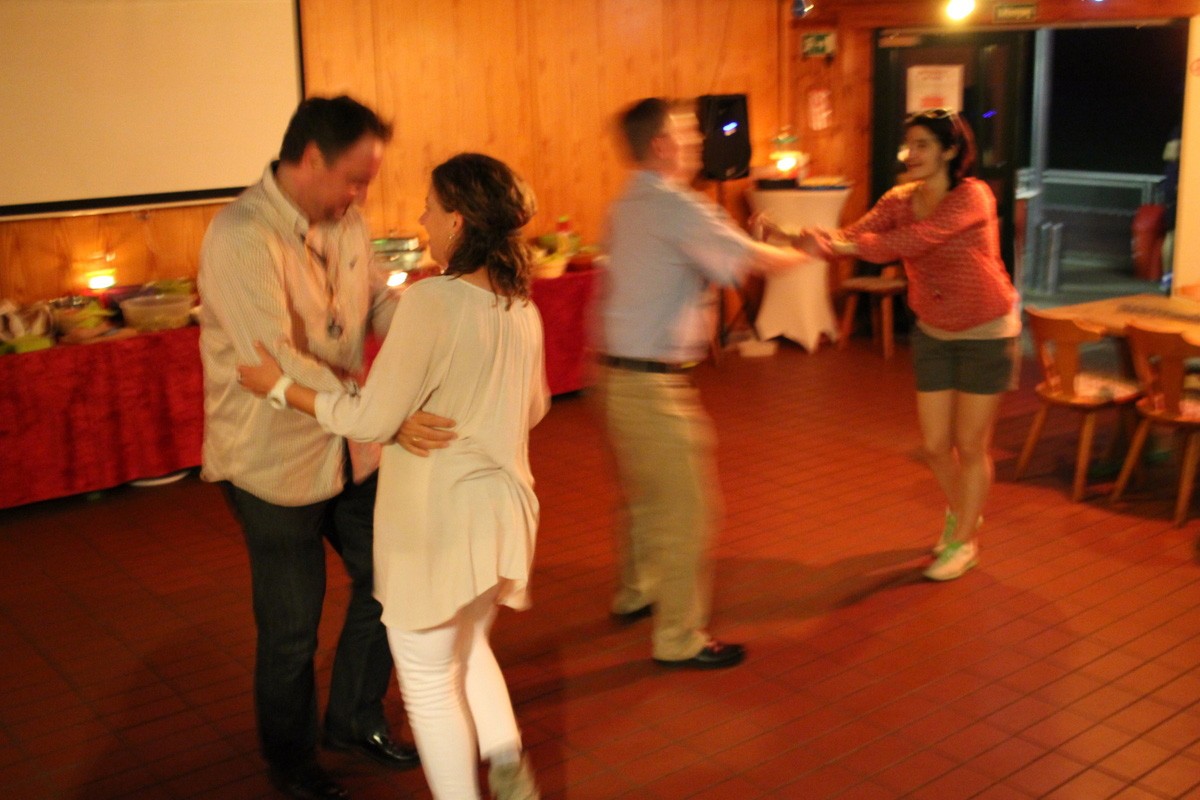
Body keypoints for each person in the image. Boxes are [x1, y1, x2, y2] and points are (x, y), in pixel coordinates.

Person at [238, 152, 548, 800]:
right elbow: (537, 406)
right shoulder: (519, 304)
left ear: (457, 221)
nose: (421, 219)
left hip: (437, 524)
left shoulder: (432, 300)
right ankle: (506, 757)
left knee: (429, 684)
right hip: (502, 515)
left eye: (429, 209)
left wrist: (279, 387)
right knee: (467, 646)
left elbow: (369, 419)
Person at [199, 95, 439, 800]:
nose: (361, 196)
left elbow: (374, 302)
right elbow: (273, 358)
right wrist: (378, 411)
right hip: (271, 458)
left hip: (349, 444)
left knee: (394, 576)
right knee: (291, 630)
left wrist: (438, 321)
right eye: (355, 180)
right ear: (310, 159)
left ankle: (354, 719)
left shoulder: (346, 221)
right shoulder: (241, 234)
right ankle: (291, 764)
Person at [601, 97, 810, 670]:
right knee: (689, 511)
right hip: (651, 384)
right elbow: (747, 260)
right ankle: (679, 636)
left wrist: (746, 244)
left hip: (614, 378)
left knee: (646, 497)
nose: (697, 142)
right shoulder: (677, 204)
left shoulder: (627, 203)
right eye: (688, 134)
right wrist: (803, 252)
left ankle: (637, 590)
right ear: (661, 145)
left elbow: (708, 255)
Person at [786, 108, 1019, 581]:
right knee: (935, 446)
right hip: (934, 331)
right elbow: (853, 235)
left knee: (970, 444)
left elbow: (914, 240)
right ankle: (965, 516)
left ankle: (964, 540)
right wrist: (802, 237)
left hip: (987, 331)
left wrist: (841, 247)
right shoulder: (899, 198)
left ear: (950, 150)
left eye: (922, 145)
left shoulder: (972, 196)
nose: (910, 154)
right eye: (908, 145)